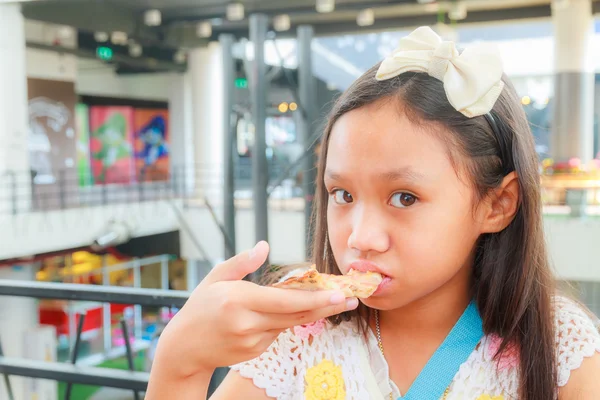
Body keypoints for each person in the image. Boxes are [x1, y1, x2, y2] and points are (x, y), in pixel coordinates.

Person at [146, 26, 600, 400]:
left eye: (404, 198)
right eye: (341, 194)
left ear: (497, 204)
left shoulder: (559, 346)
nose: (361, 237)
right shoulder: (299, 336)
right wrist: (180, 363)